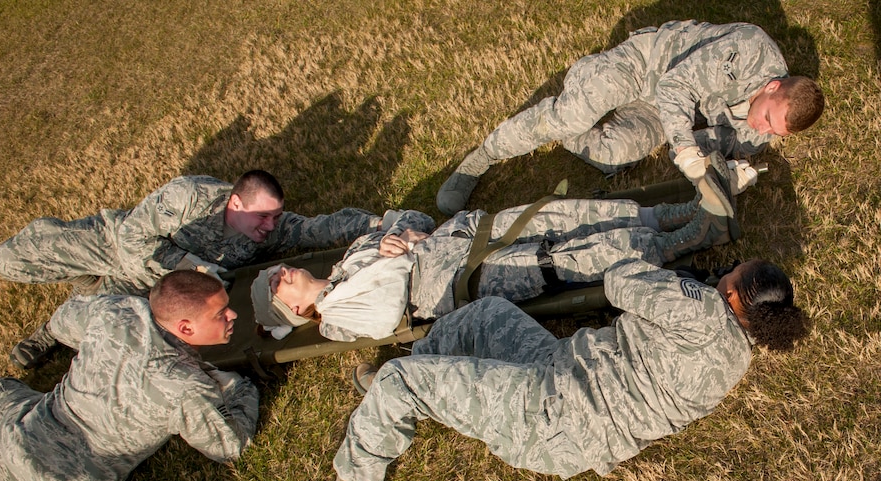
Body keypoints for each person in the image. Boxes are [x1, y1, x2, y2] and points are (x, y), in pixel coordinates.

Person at [269, 256, 808, 481]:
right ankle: (425, 372)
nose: (723, 277)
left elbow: (622, 281)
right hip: (566, 384)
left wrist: (679, 282)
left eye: (729, 276)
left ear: (733, 296)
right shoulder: (738, 357)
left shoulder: (698, 309)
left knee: (396, 382)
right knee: (488, 316)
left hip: (548, 414)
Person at [252, 168, 737, 343]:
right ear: (293, 310)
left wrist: (396, 235)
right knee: (574, 255)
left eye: (275, 271)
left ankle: (680, 211)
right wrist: (396, 258)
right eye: (277, 284)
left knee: (566, 213)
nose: (285, 272)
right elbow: (383, 311)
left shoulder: (348, 262)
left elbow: (414, 217)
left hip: (467, 234)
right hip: (471, 276)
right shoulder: (336, 317)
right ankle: (693, 237)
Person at [0, 169, 385, 368]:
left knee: (98, 333)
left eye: (276, 216)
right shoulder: (189, 197)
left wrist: (381, 225)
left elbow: (319, 228)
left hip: (159, 292)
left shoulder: (269, 230)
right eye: (262, 217)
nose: (270, 226)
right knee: (8, 262)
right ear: (234, 204)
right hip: (114, 245)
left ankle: (56, 326)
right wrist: (190, 266)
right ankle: (78, 270)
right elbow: (133, 238)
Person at [436, 20, 825, 215]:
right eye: (768, 119)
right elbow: (675, 88)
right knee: (572, 117)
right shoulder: (747, 51)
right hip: (645, 66)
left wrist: (729, 171)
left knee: (613, 156)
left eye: (776, 132)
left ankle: (579, 105)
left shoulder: (772, 121)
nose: (764, 131)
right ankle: (480, 158)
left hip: (664, 111)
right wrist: (687, 148)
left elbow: (726, 143)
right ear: (773, 86)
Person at [0, 270, 259, 481]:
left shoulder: (117, 312)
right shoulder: (186, 387)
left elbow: (63, 320)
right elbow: (231, 446)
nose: (233, 315)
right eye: (221, 313)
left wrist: (103, 346)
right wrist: (241, 388)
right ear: (186, 328)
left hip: (22, 428)